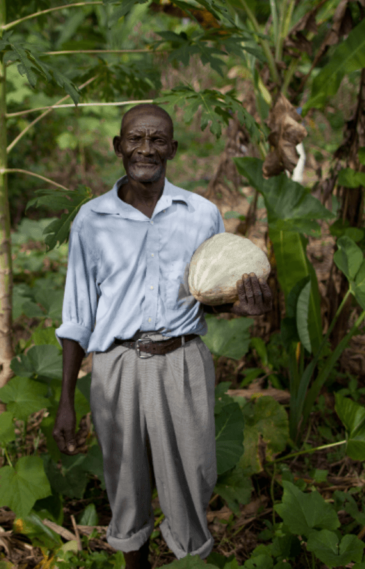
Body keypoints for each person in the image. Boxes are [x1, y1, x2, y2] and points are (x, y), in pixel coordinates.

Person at [52, 104, 273, 568]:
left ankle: (189, 558)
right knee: (125, 479)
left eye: (157, 140)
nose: (145, 149)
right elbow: (76, 317)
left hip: (182, 360)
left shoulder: (201, 214)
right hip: (117, 365)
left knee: (192, 474)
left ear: (173, 148)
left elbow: (211, 291)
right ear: (118, 146)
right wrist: (67, 399)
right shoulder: (91, 221)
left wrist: (241, 303)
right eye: (135, 139)